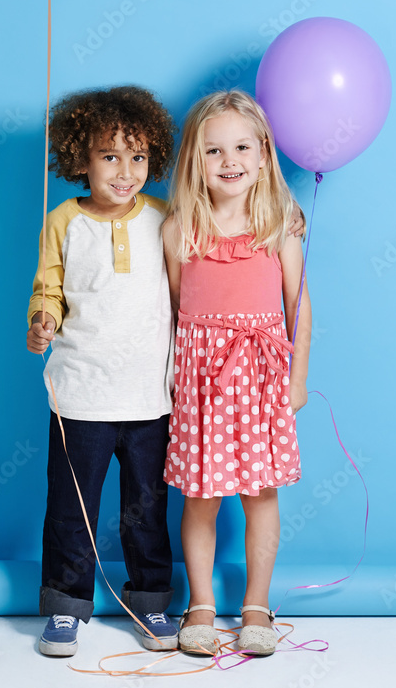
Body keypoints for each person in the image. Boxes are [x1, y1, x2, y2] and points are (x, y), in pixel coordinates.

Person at [26, 85, 180, 657]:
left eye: (137, 157)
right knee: (71, 508)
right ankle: (66, 608)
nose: (126, 171)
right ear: (80, 159)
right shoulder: (64, 220)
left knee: (147, 510)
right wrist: (42, 320)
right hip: (81, 395)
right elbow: (48, 288)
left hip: (150, 399)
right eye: (110, 156)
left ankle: (153, 602)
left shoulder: (165, 217)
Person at [162, 89, 311, 657]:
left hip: (263, 375)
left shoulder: (280, 223)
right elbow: (176, 311)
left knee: (260, 495)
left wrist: (296, 380)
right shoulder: (182, 229)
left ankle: (255, 605)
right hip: (203, 380)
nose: (230, 161)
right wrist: (177, 375)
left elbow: (299, 307)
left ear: (264, 151)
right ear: (194, 161)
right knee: (200, 499)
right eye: (214, 150)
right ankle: (199, 603)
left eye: (242, 147)